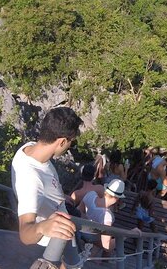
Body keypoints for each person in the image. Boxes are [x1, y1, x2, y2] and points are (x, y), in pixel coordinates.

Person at [11, 106, 84, 269]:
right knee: (72, 262)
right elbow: (25, 233)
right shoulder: (31, 179)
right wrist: (43, 227)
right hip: (54, 234)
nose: (68, 148)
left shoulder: (30, 148)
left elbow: (43, 187)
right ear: (62, 141)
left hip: (61, 213)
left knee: (71, 258)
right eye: (70, 143)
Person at [78, 178, 126, 255]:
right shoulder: (107, 216)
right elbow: (107, 247)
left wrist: (88, 221)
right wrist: (124, 236)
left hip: (79, 231)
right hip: (91, 238)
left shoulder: (91, 194)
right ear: (117, 199)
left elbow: (78, 212)